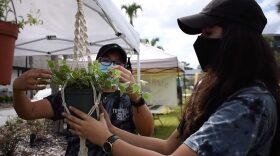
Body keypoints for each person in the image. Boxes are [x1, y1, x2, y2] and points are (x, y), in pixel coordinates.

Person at [63, 0, 280, 155]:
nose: (200, 41)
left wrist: (107, 140)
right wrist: (110, 129)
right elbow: (167, 147)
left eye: (208, 33)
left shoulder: (251, 103)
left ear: (238, 39)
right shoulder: (214, 89)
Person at [12, 43, 154, 156]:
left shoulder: (128, 98)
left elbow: (147, 131)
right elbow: (29, 111)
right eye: (105, 60)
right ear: (96, 65)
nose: (112, 66)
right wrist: (18, 90)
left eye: (118, 63)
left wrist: (137, 97)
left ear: (125, 68)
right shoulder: (76, 92)